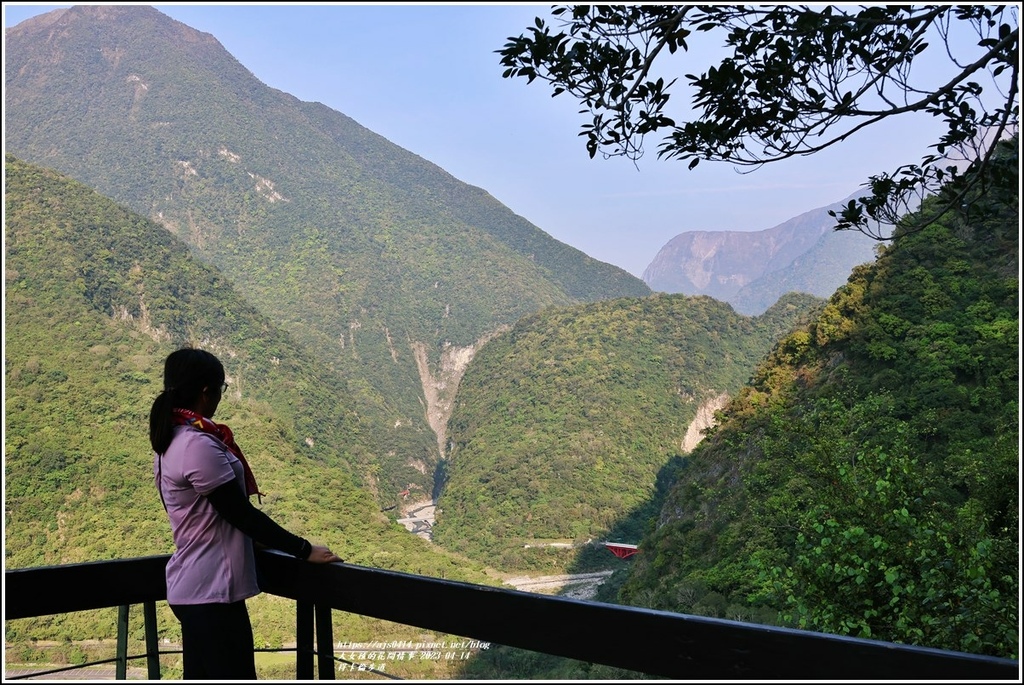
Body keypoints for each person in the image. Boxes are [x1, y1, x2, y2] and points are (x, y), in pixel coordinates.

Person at [150, 347, 343, 680]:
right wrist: (304, 549)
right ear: (206, 392)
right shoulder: (198, 445)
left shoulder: (172, 441)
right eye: (221, 389)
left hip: (195, 589)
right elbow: (241, 514)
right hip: (211, 593)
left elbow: (204, 515)